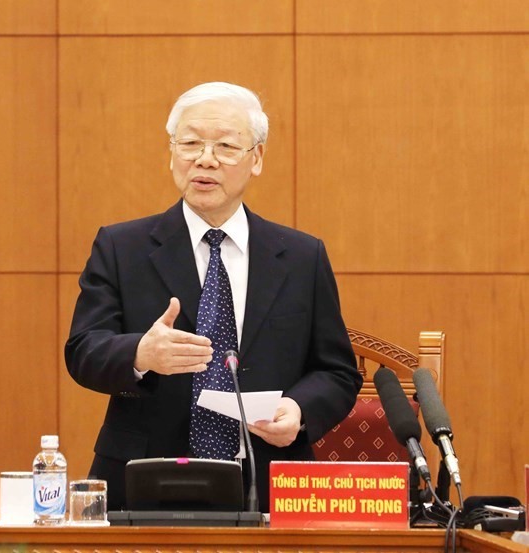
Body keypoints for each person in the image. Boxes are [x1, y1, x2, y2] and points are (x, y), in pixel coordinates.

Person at [65, 82, 362, 512]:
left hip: (269, 479)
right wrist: (140, 354)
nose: (205, 159)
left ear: (256, 158)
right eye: (189, 143)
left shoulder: (301, 256)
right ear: (172, 152)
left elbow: (337, 371)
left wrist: (298, 410)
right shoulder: (121, 246)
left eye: (225, 145)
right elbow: (82, 350)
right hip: (142, 478)